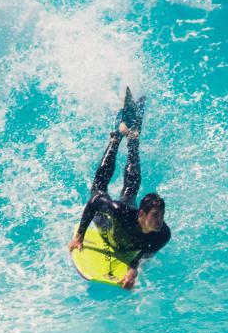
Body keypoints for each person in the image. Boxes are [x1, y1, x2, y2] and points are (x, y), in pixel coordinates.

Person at [67, 87, 170, 289]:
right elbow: (94, 203)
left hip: (126, 225)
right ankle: (116, 139)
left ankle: (133, 140)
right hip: (107, 224)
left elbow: (143, 253)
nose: (160, 221)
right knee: (98, 189)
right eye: (156, 215)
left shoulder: (162, 235)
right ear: (142, 214)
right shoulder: (118, 211)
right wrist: (79, 235)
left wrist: (133, 268)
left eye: (161, 215)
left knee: (130, 191)